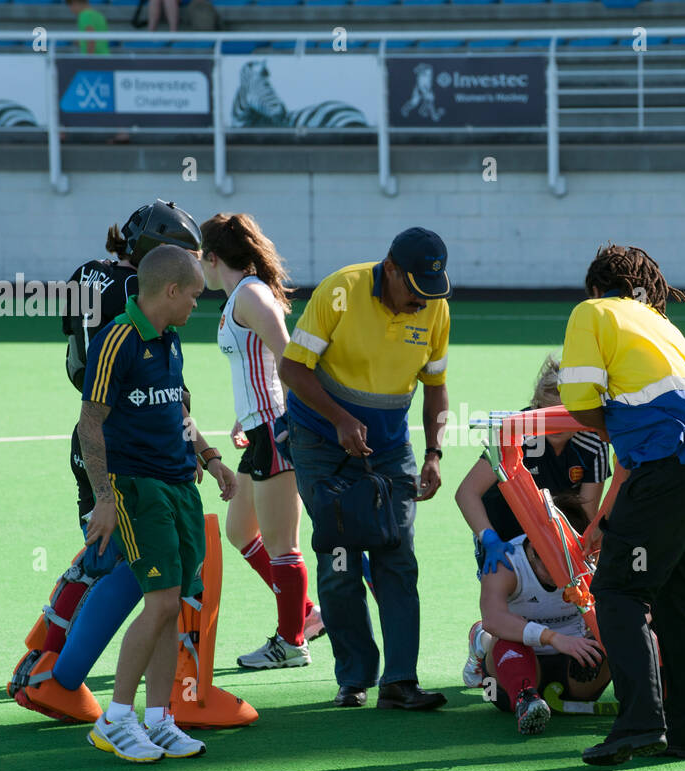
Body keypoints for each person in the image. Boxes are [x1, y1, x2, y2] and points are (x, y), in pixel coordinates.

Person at [8, 200, 204, 723]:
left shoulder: (87, 276)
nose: (192, 283)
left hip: (99, 435)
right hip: (126, 444)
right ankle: (65, 677)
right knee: (138, 570)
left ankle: (45, 661)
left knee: (107, 557)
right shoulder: (137, 303)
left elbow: (73, 337)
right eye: (182, 265)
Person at [559, 243, 685, 766]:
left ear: (596, 288)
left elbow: (578, 400)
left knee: (618, 589)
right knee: (678, 598)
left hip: (676, 462)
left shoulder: (592, 312)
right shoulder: (656, 320)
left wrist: (613, 426)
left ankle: (641, 722)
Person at [278, 227, 450, 710]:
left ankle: (400, 682)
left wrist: (434, 451)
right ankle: (354, 678)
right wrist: (339, 419)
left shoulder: (434, 306)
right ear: (390, 269)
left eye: (432, 292)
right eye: (415, 289)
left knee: (397, 554)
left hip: (390, 447)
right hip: (321, 441)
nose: (423, 302)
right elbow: (292, 368)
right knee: (339, 559)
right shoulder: (340, 290)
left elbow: (435, 385)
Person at [81, 244, 238, 762]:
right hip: (137, 488)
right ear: (170, 291)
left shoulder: (171, 341)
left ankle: (158, 718)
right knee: (162, 602)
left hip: (179, 485)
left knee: (174, 608)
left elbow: (179, 413)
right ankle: (115, 719)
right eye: (194, 296)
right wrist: (104, 496)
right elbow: (91, 423)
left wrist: (211, 458)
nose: (198, 305)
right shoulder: (117, 339)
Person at [198, 212, 324, 669]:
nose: (197, 269)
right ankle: (306, 613)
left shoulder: (249, 295)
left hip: (275, 430)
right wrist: (242, 416)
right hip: (259, 429)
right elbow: (258, 364)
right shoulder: (240, 296)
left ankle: (291, 642)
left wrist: (291, 423)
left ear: (213, 258)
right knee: (239, 532)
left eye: (199, 259)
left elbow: (288, 357)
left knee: (282, 544)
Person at [463, 495, 609, 736]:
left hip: (574, 658)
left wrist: (599, 634)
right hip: (515, 663)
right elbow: (494, 619)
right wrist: (552, 638)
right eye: (552, 569)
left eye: (569, 567)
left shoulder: (591, 559)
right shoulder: (506, 562)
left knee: (614, 634)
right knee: (504, 635)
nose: (561, 579)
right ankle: (525, 699)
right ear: (533, 550)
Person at [454, 353, 610, 578]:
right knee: (501, 593)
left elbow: (585, 514)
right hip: (504, 537)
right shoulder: (518, 431)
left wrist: (569, 553)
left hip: (557, 538)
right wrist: (489, 538)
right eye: (548, 413)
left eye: (566, 413)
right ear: (537, 407)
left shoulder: (594, 441)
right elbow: (467, 492)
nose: (557, 425)